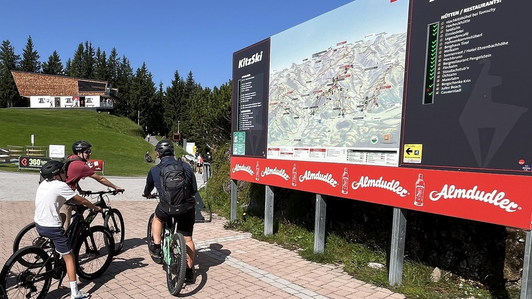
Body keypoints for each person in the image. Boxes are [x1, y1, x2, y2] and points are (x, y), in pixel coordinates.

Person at [35, 160, 101, 299]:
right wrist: (94, 208)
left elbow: (58, 200)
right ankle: (75, 293)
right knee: (70, 257)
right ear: (56, 175)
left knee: (63, 215)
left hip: (39, 224)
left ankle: (53, 252)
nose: (66, 174)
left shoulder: (43, 185)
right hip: (52, 228)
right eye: (63, 172)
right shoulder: (60, 185)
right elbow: (81, 200)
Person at [143, 139, 198, 284]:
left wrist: (148, 194)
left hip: (166, 208)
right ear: (173, 152)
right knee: (187, 239)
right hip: (186, 208)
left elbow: (148, 189)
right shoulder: (185, 167)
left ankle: (156, 246)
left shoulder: (155, 170)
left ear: (158, 154)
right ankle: (189, 272)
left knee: (158, 218)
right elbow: (194, 189)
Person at [60, 140, 124, 229]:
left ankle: (77, 232)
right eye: (87, 152)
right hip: (64, 198)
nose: (90, 154)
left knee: (81, 209)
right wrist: (115, 187)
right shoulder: (80, 165)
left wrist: (80, 190)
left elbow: (72, 177)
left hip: (67, 195)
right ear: (79, 153)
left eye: (90, 151)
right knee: (64, 232)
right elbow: (100, 179)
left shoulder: (71, 158)